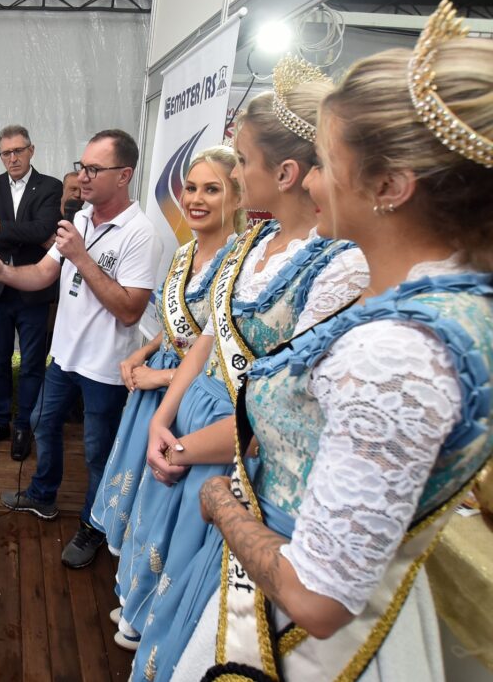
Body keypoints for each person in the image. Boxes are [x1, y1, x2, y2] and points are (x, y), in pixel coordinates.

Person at [159, 4, 493, 680]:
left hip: (304, 646)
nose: (310, 181)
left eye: (326, 163)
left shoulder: (397, 356)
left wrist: (222, 502)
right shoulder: (448, 303)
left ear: (389, 186)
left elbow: (317, 597)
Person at [118, 57, 371, 674]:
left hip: (240, 452)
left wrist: (182, 446)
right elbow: (208, 335)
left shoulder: (339, 266)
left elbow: (287, 411)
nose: (234, 173)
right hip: (196, 421)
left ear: (284, 173)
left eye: (243, 162)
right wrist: (165, 416)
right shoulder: (254, 243)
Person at [0, 129, 172, 569]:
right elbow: (42, 274)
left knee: (99, 451)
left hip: (105, 366)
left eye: (94, 169)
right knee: (42, 421)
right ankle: (43, 495)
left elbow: (131, 311)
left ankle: (94, 525)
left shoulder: (140, 234)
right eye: (82, 166)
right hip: (65, 356)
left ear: (124, 175)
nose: (82, 177)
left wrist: (81, 258)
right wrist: (4, 272)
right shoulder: (78, 220)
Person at [89, 145, 240, 561]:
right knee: (137, 486)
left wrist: (162, 377)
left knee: (165, 501)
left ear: (238, 197)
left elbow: (222, 350)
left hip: (192, 398)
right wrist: (143, 354)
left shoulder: (238, 263)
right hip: (154, 387)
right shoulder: (184, 252)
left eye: (212, 189)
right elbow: (178, 330)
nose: (195, 199)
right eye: (190, 187)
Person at [0, 125, 62, 460]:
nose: (12, 158)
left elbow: (45, 229)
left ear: (31, 150)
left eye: (18, 151)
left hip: (34, 290)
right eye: (6, 153)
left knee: (32, 363)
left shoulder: (50, 186)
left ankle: (24, 424)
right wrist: (28, 234)